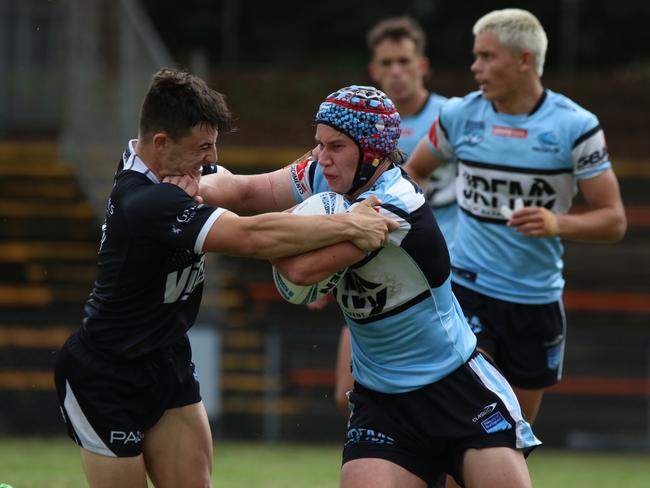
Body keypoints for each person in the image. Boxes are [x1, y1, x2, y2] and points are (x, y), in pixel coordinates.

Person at [53, 68, 397, 488]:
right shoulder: (143, 201)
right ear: (161, 144)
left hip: (167, 358)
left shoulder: (178, 174)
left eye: (214, 146)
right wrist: (349, 224)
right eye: (202, 148)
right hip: (106, 373)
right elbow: (251, 237)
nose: (211, 160)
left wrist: (326, 164)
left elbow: (247, 193)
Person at [196, 85, 540, 488]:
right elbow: (246, 191)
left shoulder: (396, 204)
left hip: (455, 390)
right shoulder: (322, 176)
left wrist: (283, 228)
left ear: (372, 149)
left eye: (336, 146)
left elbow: (300, 270)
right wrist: (188, 184)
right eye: (318, 144)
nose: (322, 159)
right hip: (381, 403)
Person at [405, 8, 627, 427]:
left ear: (524, 60)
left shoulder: (574, 127)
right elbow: (414, 172)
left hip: (534, 301)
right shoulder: (459, 116)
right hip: (467, 289)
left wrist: (557, 223)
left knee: (514, 435)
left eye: (488, 57)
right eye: (475, 56)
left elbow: (613, 220)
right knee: (468, 421)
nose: (476, 68)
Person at [333, 16, 457, 416]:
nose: (396, 72)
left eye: (404, 61)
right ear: (374, 71)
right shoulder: (360, 128)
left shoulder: (451, 118)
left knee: (443, 395)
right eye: (386, 64)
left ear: (422, 65)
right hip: (373, 264)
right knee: (345, 393)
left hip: (442, 273)